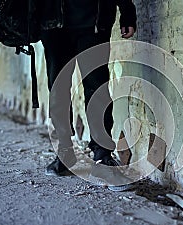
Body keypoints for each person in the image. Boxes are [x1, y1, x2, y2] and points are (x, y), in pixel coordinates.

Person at [39, 0, 137, 190]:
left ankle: (102, 158)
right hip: (52, 23)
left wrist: (127, 11)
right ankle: (64, 153)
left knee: (97, 89)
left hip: (94, 20)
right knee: (58, 91)